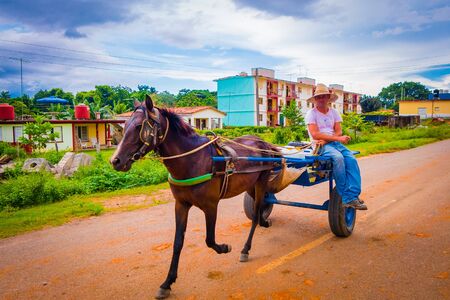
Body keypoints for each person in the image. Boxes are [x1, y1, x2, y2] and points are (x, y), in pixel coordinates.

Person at [305, 83, 367, 210]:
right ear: (315, 99)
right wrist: (337, 138)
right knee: (338, 158)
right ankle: (346, 198)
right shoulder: (311, 114)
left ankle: (353, 195)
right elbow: (315, 134)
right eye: (319, 97)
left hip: (331, 143)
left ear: (328, 98)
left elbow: (338, 131)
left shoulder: (334, 112)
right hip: (319, 146)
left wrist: (331, 140)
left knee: (351, 160)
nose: (321, 99)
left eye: (324, 96)